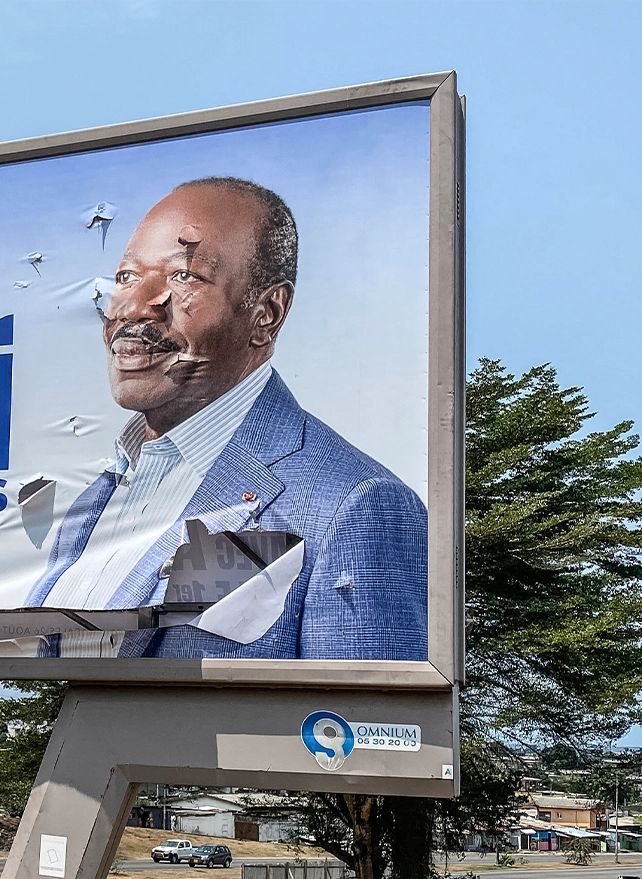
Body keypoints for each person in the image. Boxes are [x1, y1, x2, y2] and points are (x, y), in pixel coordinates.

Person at [27, 177, 427, 660]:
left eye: (184, 277)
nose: (132, 307)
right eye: (127, 277)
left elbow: (360, 727)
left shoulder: (353, 505)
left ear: (266, 313)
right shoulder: (93, 501)